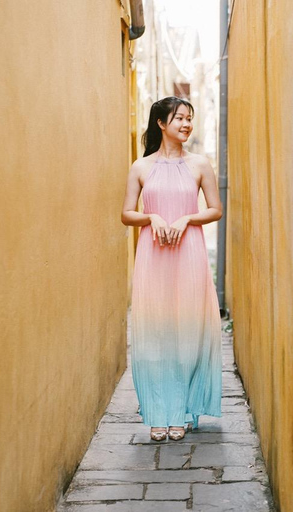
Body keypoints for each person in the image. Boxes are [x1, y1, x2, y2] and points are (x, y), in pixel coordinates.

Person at [120, 96, 223, 441]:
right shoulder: (141, 167)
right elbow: (126, 214)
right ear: (161, 124)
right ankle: (158, 414)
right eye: (179, 118)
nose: (186, 124)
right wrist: (152, 216)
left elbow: (215, 209)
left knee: (186, 331)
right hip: (153, 256)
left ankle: (179, 411)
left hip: (189, 254)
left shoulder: (199, 165)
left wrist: (186, 218)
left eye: (189, 118)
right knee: (154, 334)